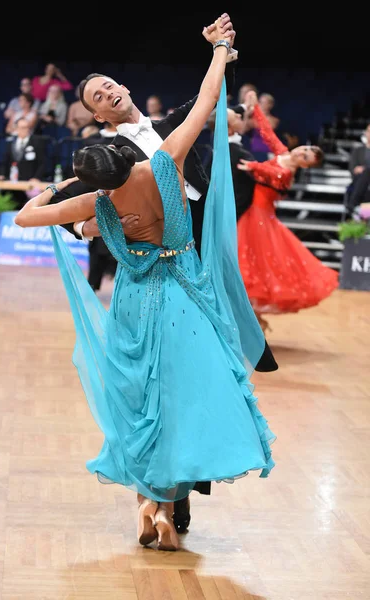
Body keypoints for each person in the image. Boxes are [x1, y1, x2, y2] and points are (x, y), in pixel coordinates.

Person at [14, 16, 276, 552]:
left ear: (124, 88)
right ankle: (167, 505)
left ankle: (152, 504)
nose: (108, 93)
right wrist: (220, 50)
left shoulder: (106, 186)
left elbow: (35, 216)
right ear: (95, 115)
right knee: (184, 390)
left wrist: (78, 206)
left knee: (140, 395)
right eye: (97, 96)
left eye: (109, 84)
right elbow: (209, 97)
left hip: (140, 294)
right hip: (182, 281)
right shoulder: (157, 162)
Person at [236, 92, 339, 331]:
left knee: (253, 268)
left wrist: (252, 165)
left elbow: (272, 174)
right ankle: (254, 320)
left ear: (305, 165)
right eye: (304, 149)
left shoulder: (287, 174)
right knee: (249, 267)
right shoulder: (283, 153)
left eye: (305, 156)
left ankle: (254, 320)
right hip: (252, 212)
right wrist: (255, 108)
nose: (300, 152)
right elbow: (266, 132)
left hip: (259, 219)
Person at [206, 106, 255, 219]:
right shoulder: (237, 153)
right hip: (238, 214)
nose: (239, 115)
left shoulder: (219, 148)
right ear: (229, 130)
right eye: (235, 117)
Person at [0, 117, 46, 207]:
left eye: (27, 127)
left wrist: (36, 177)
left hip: (29, 180)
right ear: (16, 129)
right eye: (22, 127)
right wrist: (2, 174)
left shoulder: (37, 142)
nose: (25, 130)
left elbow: (43, 162)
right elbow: (6, 161)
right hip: (12, 180)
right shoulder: (10, 143)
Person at [346, 123, 370, 214]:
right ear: (365, 133)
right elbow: (353, 169)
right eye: (369, 131)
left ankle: (352, 203)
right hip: (359, 182)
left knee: (367, 171)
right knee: (366, 173)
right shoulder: (357, 151)